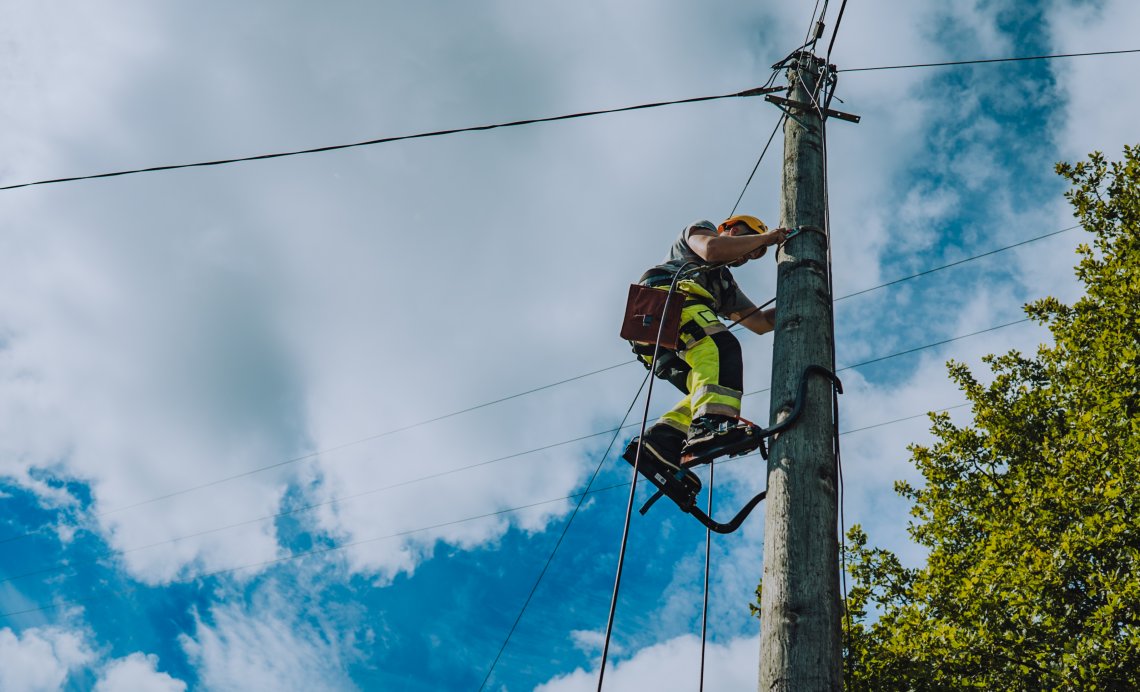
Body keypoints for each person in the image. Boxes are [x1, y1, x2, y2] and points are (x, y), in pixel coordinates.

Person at [623, 215, 788, 492]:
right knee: (722, 348)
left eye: (753, 257)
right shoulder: (701, 232)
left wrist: (801, 296)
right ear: (733, 229)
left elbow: (760, 323)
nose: (746, 258)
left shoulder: (723, 285)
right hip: (666, 300)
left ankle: (662, 441)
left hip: (656, 334)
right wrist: (769, 238)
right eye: (749, 248)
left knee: (706, 386)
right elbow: (711, 249)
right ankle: (709, 425)